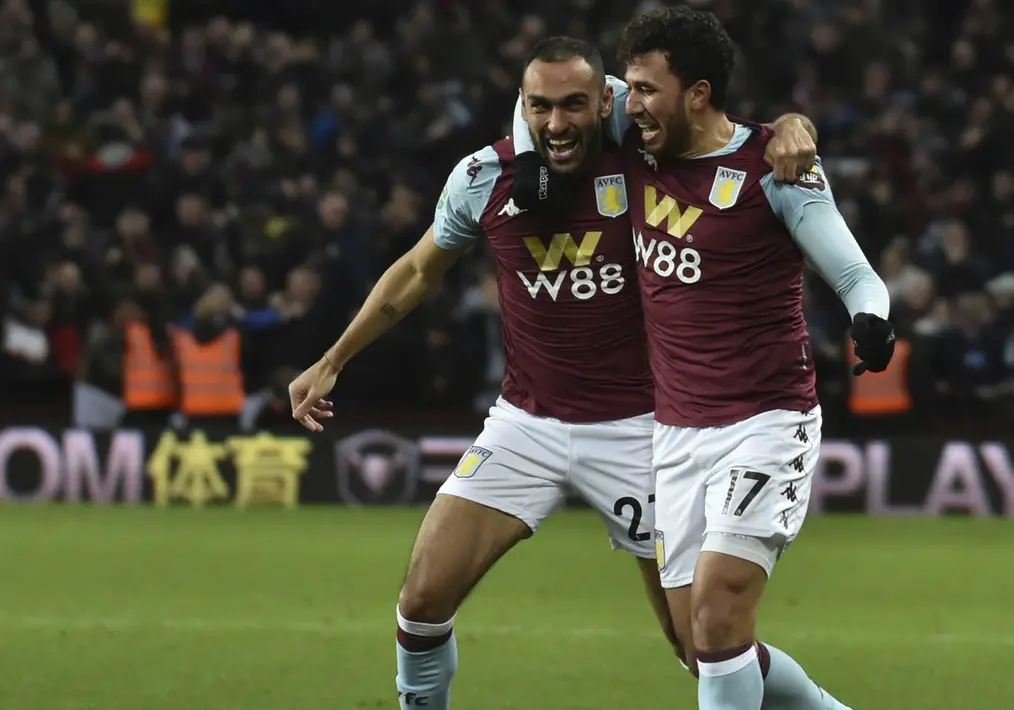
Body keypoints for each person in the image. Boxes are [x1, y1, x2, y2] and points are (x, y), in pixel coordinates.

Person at [287, 36, 817, 710]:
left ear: (606, 104)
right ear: (522, 107)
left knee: (701, 647)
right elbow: (418, 271)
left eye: (574, 105)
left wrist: (793, 127)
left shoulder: (647, 164)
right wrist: (332, 361)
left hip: (644, 432)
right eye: (540, 106)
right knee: (421, 599)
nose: (557, 123)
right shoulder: (485, 179)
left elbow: (724, 133)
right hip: (525, 425)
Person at [509, 8, 895, 710]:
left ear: (698, 94)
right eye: (629, 89)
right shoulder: (633, 142)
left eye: (648, 90)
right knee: (702, 646)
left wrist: (870, 320)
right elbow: (536, 99)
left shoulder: (772, 168)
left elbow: (855, 275)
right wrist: (534, 161)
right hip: (676, 433)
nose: (631, 104)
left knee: (718, 612)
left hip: (766, 422)